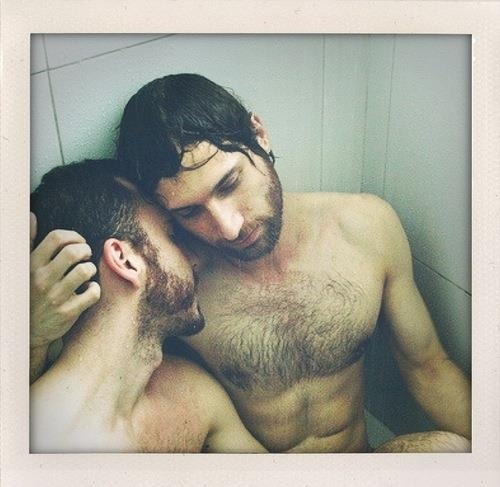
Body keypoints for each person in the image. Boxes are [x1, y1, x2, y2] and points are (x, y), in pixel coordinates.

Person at [30, 74, 471, 453]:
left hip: (360, 460)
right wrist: (32, 334)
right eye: (189, 212)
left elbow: (429, 367)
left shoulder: (367, 227)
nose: (228, 227)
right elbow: (88, 383)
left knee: (449, 448)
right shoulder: (180, 287)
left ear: (259, 134)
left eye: (229, 183)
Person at [29, 158, 266, 453]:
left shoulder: (192, 393)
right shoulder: (42, 439)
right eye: (172, 236)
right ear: (125, 260)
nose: (196, 259)